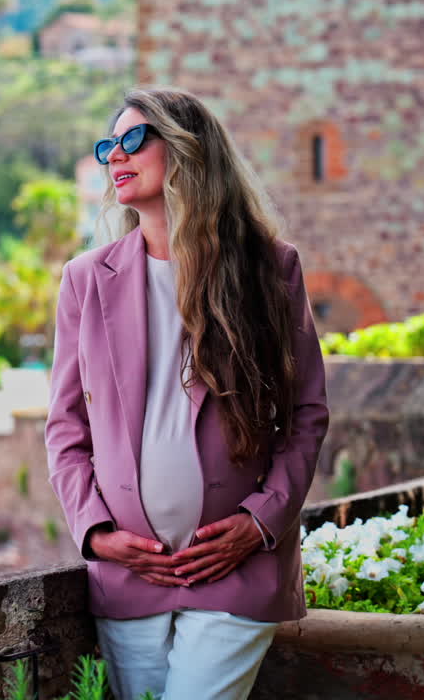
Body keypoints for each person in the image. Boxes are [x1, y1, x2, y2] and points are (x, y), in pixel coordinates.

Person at [44, 87, 330, 700]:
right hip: (129, 574)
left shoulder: (268, 268)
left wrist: (261, 524)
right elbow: (66, 429)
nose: (114, 157)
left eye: (132, 140)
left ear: (187, 149)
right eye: (107, 146)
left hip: (237, 568)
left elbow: (306, 414)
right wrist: (95, 533)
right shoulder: (86, 279)